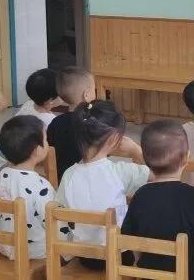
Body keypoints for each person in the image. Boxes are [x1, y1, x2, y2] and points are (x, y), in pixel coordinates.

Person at [55, 100, 149, 270]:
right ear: (114, 139)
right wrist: (135, 150)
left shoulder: (69, 175)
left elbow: (59, 213)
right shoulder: (119, 171)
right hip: (119, 257)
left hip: (85, 256)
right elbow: (158, 175)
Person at [122, 120, 194, 279]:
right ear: (186, 158)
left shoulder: (140, 196)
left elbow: (130, 239)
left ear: (145, 161)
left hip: (150, 276)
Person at [0, 114, 67, 259]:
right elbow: (53, 221)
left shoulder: (3, 175)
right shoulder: (41, 186)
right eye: (45, 140)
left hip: (5, 245)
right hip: (34, 250)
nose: (47, 143)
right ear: (37, 150)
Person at [46, 66, 96, 180]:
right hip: (89, 178)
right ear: (86, 94)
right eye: (94, 89)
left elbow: (50, 149)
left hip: (62, 177)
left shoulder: (56, 122)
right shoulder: (94, 121)